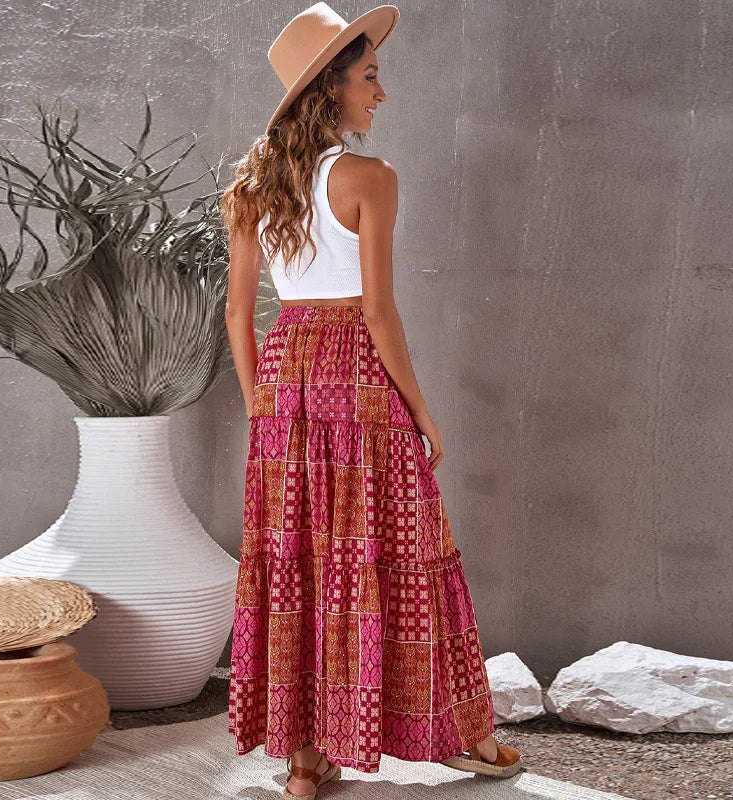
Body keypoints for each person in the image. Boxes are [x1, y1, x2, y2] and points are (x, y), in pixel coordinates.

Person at [220, 3, 523, 797]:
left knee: (299, 559)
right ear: (331, 87)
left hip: (284, 375)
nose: (380, 94)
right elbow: (379, 311)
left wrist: (257, 405)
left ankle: (305, 759)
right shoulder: (371, 178)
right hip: (355, 371)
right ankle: (465, 735)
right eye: (370, 77)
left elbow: (238, 312)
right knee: (403, 554)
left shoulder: (251, 186)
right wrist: (420, 410)